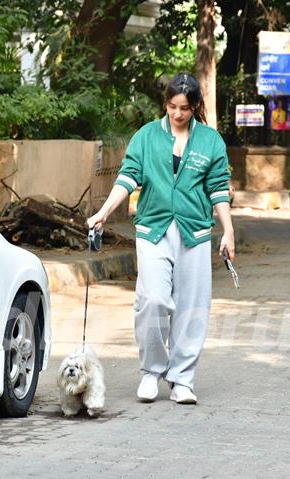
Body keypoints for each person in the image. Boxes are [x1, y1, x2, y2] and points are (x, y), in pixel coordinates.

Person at [87, 72, 234, 405]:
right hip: (153, 227)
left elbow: (218, 190)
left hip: (194, 231)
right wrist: (104, 213)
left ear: (195, 107)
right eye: (172, 106)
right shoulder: (147, 136)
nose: (178, 114)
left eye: (184, 108)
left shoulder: (211, 141)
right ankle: (152, 371)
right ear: (165, 104)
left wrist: (228, 230)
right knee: (152, 299)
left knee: (192, 306)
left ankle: (182, 379)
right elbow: (127, 178)